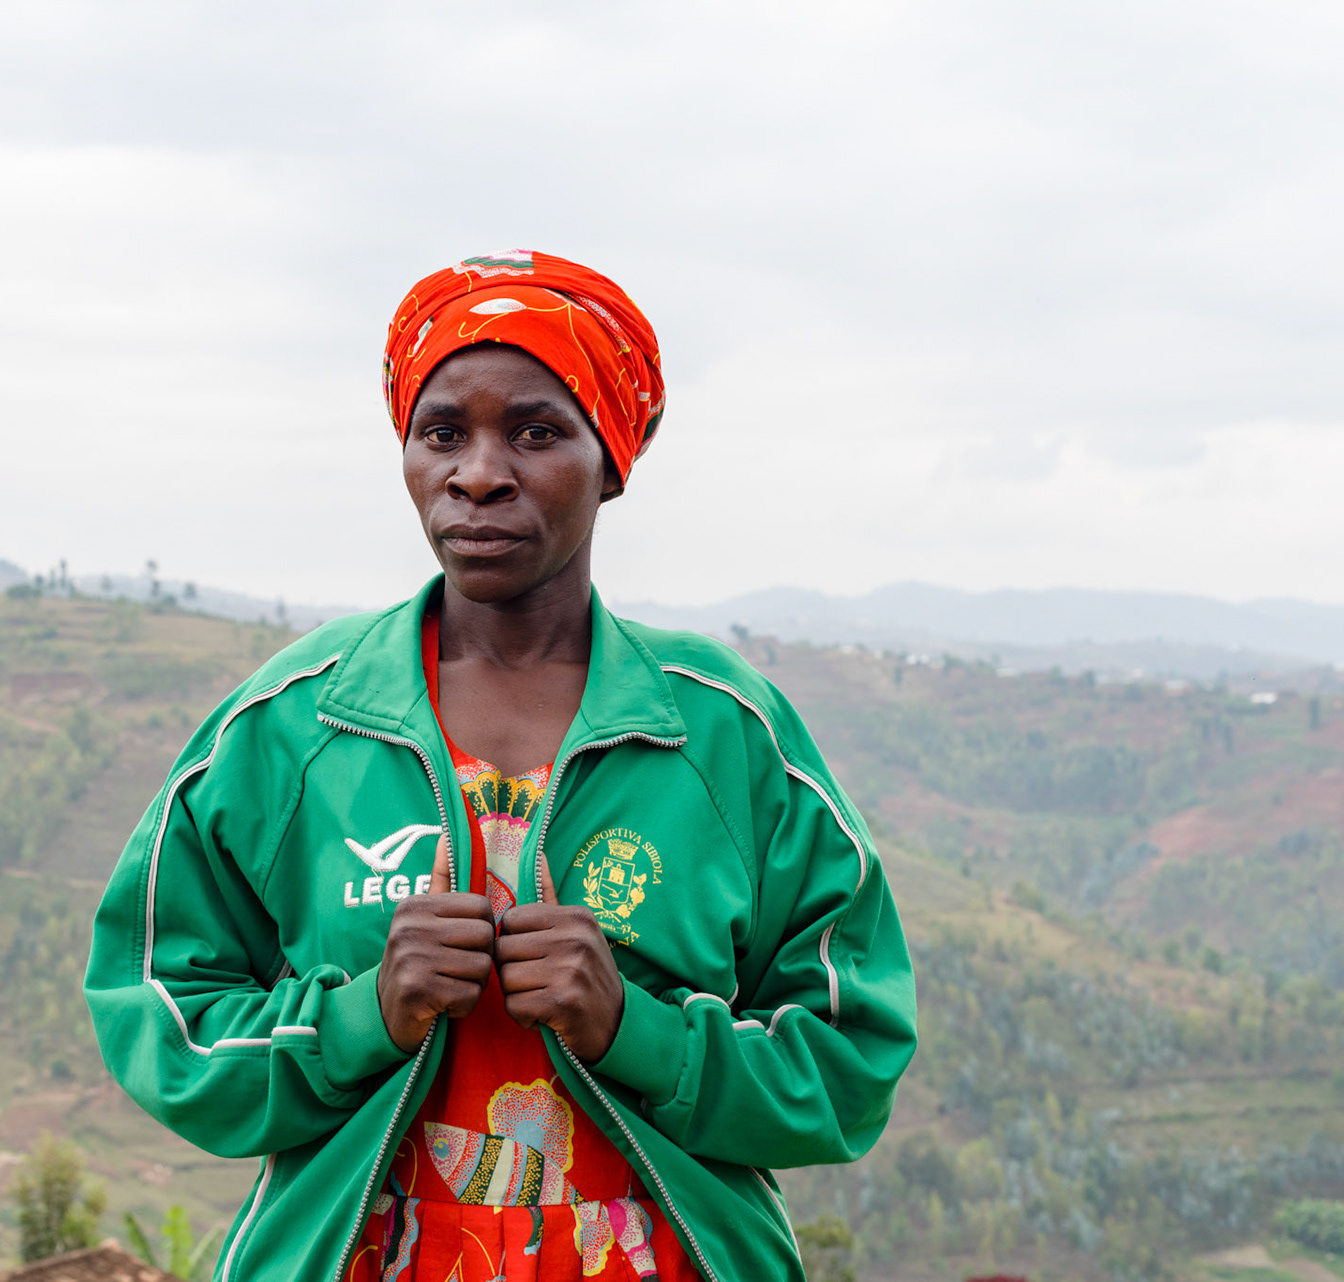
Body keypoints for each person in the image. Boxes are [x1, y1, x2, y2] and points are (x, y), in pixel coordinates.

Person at [85, 250, 917, 1282]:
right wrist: (362, 1014)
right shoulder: (292, 722)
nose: (477, 472)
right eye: (443, 432)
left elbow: (851, 1059)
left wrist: (637, 1030)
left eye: (535, 430)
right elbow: (160, 1005)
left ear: (613, 455)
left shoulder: (721, 731)